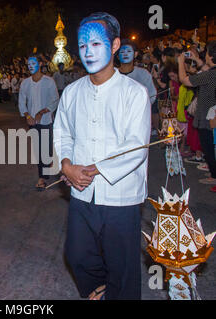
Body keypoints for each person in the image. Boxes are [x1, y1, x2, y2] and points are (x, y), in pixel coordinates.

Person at [54, 12, 150, 300]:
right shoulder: (71, 92)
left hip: (120, 194)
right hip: (82, 193)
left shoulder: (135, 93)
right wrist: (66, 164)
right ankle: (99, 289)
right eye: (83, 46)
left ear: (116, 44)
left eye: (96, 44)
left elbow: (136, 146)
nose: (88, 52)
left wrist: (95, 169)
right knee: (77, 254)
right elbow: (62, 134)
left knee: (122, 267)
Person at [178, 41, 216, 185]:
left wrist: (181, 62)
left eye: (206, 53)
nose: (204, 56)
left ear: (211, 56)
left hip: (208, 117)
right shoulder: (212, 72)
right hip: (211, 115)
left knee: (209, 146)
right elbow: (207, 69)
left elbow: (185, 80)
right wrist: (196, 60)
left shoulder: (210, 75)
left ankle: (214, 175)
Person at [18, 55, 59, 190]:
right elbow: (21, 102)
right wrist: (27, 115)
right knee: (38, 149)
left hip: (46, 120)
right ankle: (42, 177)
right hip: (32, 123)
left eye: (33, 63)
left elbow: (55, 100)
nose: (30, 66)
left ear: (40, 64)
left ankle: (47, 163)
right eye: (28, 64)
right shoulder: (25, 83)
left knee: (46, 149)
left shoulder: (49, 81)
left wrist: (42, 112)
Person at [118, 39, 157, 134]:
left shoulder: (143, 74)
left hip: (137, 121)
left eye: (129, 51)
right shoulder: (112, 75)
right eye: (122, 52)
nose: (125, 54)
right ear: (118, 55)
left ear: (135, 54)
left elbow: (152, 95)